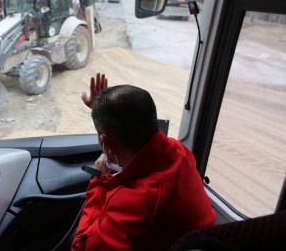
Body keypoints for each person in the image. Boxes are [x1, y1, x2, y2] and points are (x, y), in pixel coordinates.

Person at [71, 73, 216, 251]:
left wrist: (99, 182)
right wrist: (102, 111)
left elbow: (80, 247)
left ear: (108, 145)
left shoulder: (135, 200)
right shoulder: (179, 151)